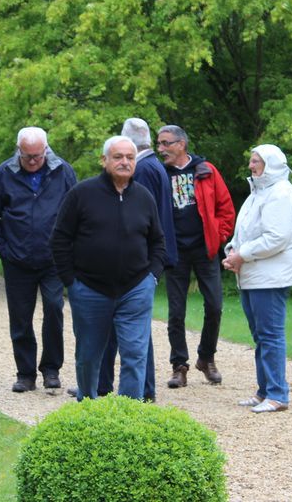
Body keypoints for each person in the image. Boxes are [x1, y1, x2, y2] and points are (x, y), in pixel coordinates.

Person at [52, 136, 167, 400]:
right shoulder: (82, 193)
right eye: (118, 157)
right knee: (88, 356)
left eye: (130, 157)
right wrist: (71, 281)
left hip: (135, 289)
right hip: (90, 289)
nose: (124, 162)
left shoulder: (143, 196)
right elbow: (60, 238)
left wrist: (151, 277)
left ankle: (128, 416)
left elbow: (158, 241)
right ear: (104, 160)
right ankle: (88, 409)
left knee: (135, 356)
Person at [0, 127, 78, 393]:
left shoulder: (63, 171)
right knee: (21, 318)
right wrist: (2, 248)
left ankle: (51, 369)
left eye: (37, 155)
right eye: (27, 156)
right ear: (18, 150)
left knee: (54, 311)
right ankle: (25, 373)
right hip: (17, 260)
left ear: (46, 149)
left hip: (53, 260)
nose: (33, 161)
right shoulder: (4, 173)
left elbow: (78, 211)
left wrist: (68, 247)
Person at [95, 118, 178, 402]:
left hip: (138, 264)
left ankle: (136, 388)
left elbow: (139, 220)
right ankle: (127, 386)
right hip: (148, 262)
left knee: (133, 330)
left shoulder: (142, 170)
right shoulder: (156, 167)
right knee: (135, 329)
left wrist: (149, 269)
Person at [222, 144, 292, 414]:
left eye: (256, 161)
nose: (251, 165)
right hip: (254, 273)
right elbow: (244, 231)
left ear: (271, 164)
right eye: (251, 160)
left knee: (270, 335)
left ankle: (277, 394)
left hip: (271, 276)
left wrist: (242, 255)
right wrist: (232, 252)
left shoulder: (280, 193)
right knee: (261, 335)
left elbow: (276, 238)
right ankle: (264, 390)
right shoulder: (259, 192)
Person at [157, 124, 235, 389]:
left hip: (204, 250)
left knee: (214, 305)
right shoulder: (159, 174)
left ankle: (206, 357)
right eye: (159, 144)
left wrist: (218, 235)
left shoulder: (206, 170)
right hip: (174, 252)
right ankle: (179, 365)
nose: (161, 149)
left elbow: (226, 208)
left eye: (166, 143)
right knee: (176, 312)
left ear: (181, 144)